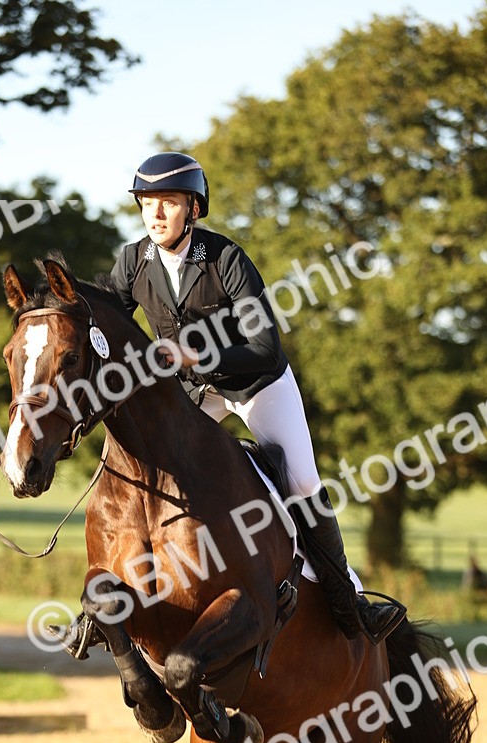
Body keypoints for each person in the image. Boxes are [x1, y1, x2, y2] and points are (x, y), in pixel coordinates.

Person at [108, 152, 405, 644]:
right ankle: (112, 595)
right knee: (139, 466)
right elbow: (105, 316)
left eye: (168, 203)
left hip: (255, 385)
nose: (155, 214)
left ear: (194, 210)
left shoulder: (226, 259)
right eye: (147, 203)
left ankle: (347, 598)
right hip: (194, 396)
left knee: (303, 479)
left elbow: (265, 348)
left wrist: (193, 357)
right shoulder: (133, 262)